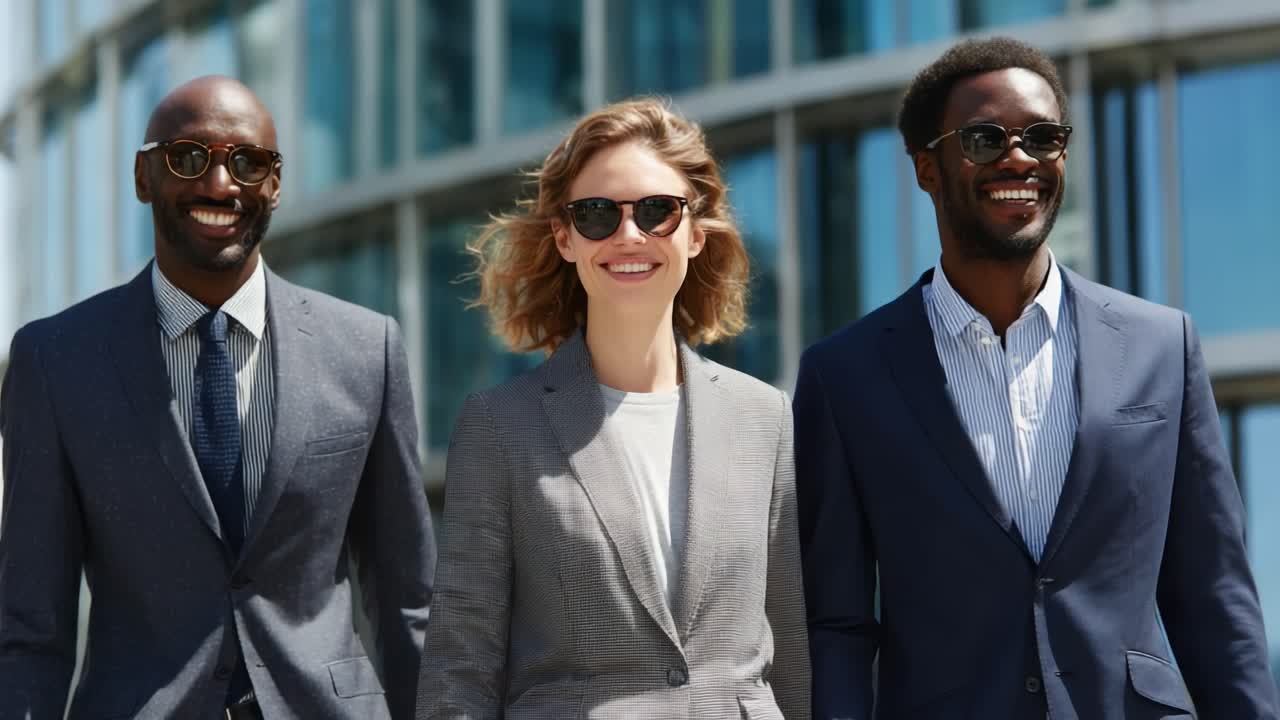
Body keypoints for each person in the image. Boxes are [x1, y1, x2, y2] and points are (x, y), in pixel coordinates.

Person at [794, 37, 1279, 720]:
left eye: (1043, 137)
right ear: (927, 168)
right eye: (985, 139)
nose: (1019, 157)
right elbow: (838, 626)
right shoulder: (844, 376)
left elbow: (1213, 594)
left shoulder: (1162, 347)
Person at [0, 76, 436, 720]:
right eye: (189, 157)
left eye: (248, 162)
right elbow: (31, 625)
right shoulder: (54, 360)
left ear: (276, 184)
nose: (220, 184)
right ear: (144, 176)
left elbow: (408, 599)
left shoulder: (366, 348)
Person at [414, 98, 809, 719]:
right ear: (564, 237)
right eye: (598, 214)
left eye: (658, 211)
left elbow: (787, 653)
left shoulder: (765, 417)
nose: (629, 235)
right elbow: (461, 663)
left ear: (696, 234)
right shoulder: (499, 425)